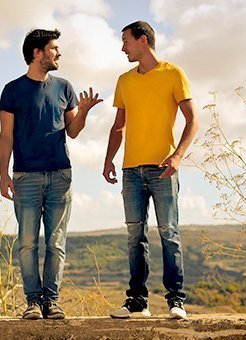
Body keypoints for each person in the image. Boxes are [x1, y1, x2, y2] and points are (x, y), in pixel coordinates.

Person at [0, 28, 102, 320]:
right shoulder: (13, 90)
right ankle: (33, 302)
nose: (59, 53)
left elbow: (73, 131)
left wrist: (82, 112)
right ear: (37, 53)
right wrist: (3, 173)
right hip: (25, 177)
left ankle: (51, 302)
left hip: (60, 176)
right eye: (54, 48)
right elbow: (6, 136)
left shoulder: (64, 87)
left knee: (56, 243)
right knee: (28, 243)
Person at [103, 21, 199, 319]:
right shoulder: (124, 80)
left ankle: (176, 301)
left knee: (169, 233)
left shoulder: (173, 74)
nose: (122, 47)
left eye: (126, 41)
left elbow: (193, 120)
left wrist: (178, 155)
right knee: (136, 237)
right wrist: (108, 159)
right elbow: (119, 125)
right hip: (131, 171)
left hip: (163, 169)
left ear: (142, 41)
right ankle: (138, 303)